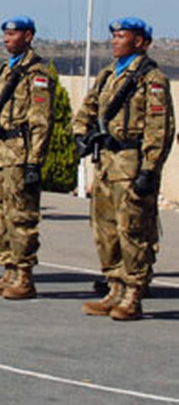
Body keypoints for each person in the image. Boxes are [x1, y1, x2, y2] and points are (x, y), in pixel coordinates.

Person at [73, 17, 174, 320]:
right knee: (106, 231)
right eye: (114, 36)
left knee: (133, 231)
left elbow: (160, 127)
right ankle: (114, 286)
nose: (115, 41)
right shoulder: (107, 75)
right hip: (105, 163)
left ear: (140, 42)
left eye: (122, 36)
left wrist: (150, 169)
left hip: (131, 164)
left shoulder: (151, 79)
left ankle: (133, 292)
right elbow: (87, 110)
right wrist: (81, 135)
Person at [0, 17, 54, 299]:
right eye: (5, 34)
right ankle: (8, 268)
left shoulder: (36, 73)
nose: (7, 38)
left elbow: (41, 121)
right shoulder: (6, 70)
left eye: (13, 33)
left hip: (19, 153)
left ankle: (24, 275)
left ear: (28, 36)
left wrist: (34, 161)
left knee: (21, 217)